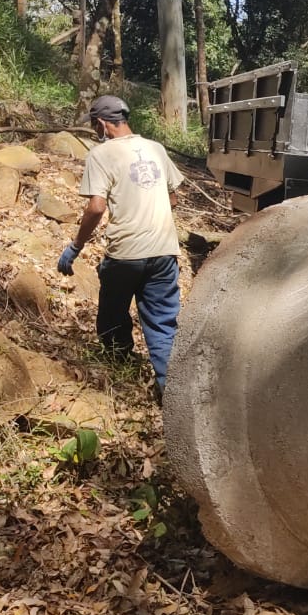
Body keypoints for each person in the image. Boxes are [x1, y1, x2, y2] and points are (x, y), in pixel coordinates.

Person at [57, 94, 184, 393]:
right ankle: (172, 391)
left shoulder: (101, 155)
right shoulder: (156, 149)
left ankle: (119, 373)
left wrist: (75, 247)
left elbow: (97, 207)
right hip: (164, 251)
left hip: (125, 253)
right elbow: (174, 198)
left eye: (94, 127)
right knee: (164, 324)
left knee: (112, 315)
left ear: (101, 124)